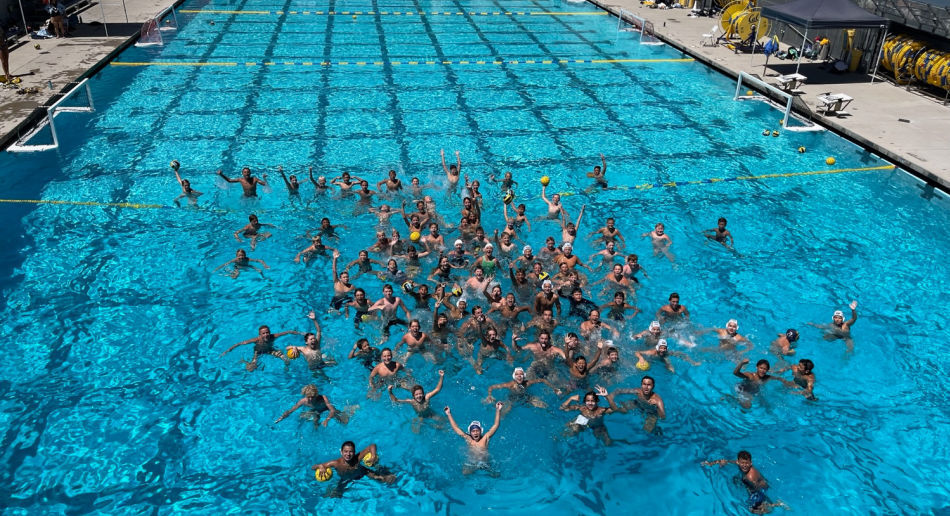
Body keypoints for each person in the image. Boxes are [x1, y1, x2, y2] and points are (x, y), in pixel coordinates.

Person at [701, 451, 787, 513]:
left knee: (752, 510)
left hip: (757, 490)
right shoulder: (739, 464)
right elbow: (725, 461)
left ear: (751, 463)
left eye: (747, 463)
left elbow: (758, 489)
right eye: (742, 463)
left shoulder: (750, 477)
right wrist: (710, 463)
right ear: (738, 462)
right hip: (751, 484)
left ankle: (776, 504)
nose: (744, 465)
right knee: (735, 479)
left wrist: (751, 493)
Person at [310, 441, 395, 497]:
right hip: (345, 478)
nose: (348, 454)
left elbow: (372, 446)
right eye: (345, 451)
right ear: (341, 452)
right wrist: (320, 466)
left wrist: (373, 456)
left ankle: (385, 471)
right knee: (336, 495)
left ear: (354, 452)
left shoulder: (357, 458)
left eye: (351, 451)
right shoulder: (335, 463)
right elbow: (313, 467)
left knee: (383, 479)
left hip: (362, 472)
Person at [443, 401, 504, 475]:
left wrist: (498, 410)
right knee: (464, 473)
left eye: (477, 431)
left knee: (496, 475)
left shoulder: (485, 438)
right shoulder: (469, 439)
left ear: (480, 431)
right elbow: (456, 428)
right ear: (470, 432)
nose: (475, 433)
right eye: (473, 431)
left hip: (485, 464)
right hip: (473, 464)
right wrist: (449, 414)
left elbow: (496, 425)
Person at [219, 323, 300, 372]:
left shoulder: (273, 336)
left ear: (270, 332)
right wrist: (227, 351)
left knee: (286, 359)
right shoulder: (256, 340)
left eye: (267, 332)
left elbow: (288, 332)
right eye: (263, 333)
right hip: (258, 352)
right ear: (260, 334)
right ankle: (244, 361)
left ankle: (286, 370)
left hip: (270, 350)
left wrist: (300, 333)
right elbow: (239, 344)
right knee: (251, 369)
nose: (266, 335)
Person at [274, 384, 350, 426]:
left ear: (316, 395)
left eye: (312, 397)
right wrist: (281, 417)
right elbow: (291, 410)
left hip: (325, 408)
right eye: (308, 397)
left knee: (344, 421)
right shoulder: (303, 401)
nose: (310, 399)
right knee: (313, 420)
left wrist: (327, 419)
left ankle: (350, 409)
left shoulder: (323, 398)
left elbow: (332, 410)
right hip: (316, 411)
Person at [635, 339, 700, 373]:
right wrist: (641, 358)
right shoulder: (651, 352)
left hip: (663, 358)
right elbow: (637, 352)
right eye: (661, 348)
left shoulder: (667, 353)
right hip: (651, 359)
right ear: (657, 348)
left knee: (671, 369)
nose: (663, 350)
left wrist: (693, 362)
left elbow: (681, 354)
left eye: (664, 348)